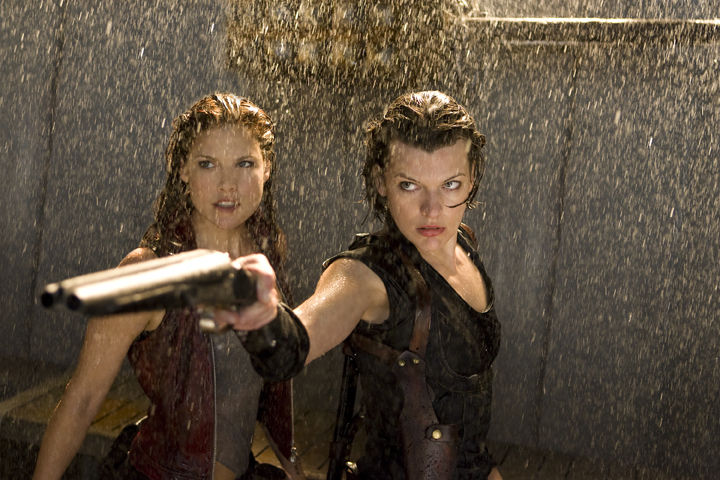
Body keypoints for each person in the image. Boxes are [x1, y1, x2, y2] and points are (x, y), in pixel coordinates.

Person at [218, 91, 503, 480]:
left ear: (472, 179)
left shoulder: (464, 244)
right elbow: (288, 348)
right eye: (409, 185)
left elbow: (470, 429)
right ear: (381, 182)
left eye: (450, 185)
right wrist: (259, 313)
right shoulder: (364, 276)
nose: (432, 209)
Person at [33, 93, 296, 480]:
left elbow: (269, 396)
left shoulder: (265, 262)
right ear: (183, 169)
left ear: (267, 168)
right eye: (207, 164)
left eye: (244, 164)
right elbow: (82, 400)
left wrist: (292, 466)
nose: (227, 185)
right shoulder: (145, 273)